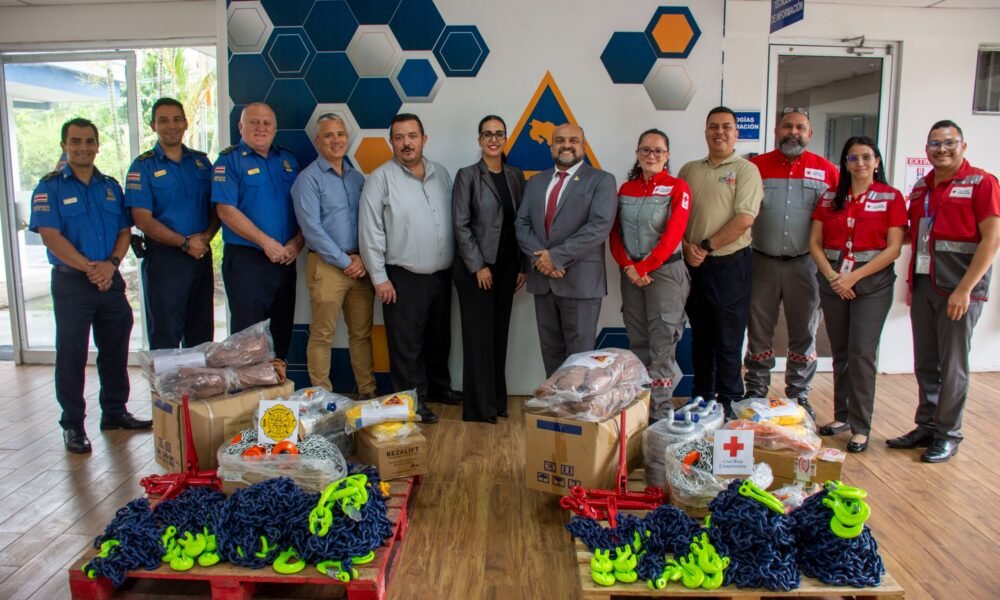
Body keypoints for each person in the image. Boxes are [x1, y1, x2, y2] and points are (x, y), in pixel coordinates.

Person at [29, 118, 151, 454]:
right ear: (64, 146)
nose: (83, 147)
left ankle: (114, 411)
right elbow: (51, 237)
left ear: (97, 145)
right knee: (72, 353)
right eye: (75, 141)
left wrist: (111, 265)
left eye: (89, 141)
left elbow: (124, 231)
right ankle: (73, 424)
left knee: (115, 348)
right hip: (72, 283)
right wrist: (90, 268)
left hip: (108, 279)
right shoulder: (50, 188)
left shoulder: (110, 187)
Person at [887, 120, 1000, 463]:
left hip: (959, 289)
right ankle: (927, 426)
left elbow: (992, 239)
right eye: (935, 144)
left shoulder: (982, 183)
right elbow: (914, 235)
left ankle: (948, 434)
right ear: (927, 149)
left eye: (950, 143)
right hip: (925, 285)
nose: (942, 149)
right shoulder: (921, 188)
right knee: (926, 362)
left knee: (953, 367)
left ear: (963, 146)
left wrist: (964, 289)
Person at [809, 136, 905, 453]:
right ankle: (842, 416)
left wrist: (854, 276)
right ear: (845, 163)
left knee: (861, 352)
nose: (860, 163)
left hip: (872, 284)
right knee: (840, 351)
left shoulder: (891, 197)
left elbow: (893, 248)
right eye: (853, 158)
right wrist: (834, 277)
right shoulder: (829, 198)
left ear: (876, 161)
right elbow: (814, 243)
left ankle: (861, 427)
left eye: (866, 157)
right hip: (834, 280)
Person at [359, 113, 457, 424]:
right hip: (402, 277)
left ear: (424, 139)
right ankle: (411, 401)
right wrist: (379, 278)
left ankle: (439, 389)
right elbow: (370, 231)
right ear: (391, 142)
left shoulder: (441, 174)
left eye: (412, 136)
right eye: (399, 137)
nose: (406, 143)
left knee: (439, 338)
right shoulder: (380, 179)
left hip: (442, 275)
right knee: (406, 344)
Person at [744, 108, 838, 418]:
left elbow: (837, 217)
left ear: (810, 134)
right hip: (762, 261)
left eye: (800, 127)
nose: (793, 132)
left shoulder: (827, 171)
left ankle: (799, 393)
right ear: (776, 131)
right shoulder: (756, 168)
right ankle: (756, 388)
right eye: (787, 126)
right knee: (759, 328)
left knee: (805, 329)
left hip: (806, 264)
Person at [679, 106, 763, 417]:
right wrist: (687, 247)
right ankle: (702, 398)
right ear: (705, 132)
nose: (720, 132)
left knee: (728, 339)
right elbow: (675, 216)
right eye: (713, 126)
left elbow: (744, 219)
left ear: (736, 133)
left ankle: (730, 402)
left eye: (726, 126)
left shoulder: (746, 170)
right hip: (693, 265)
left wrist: (705, 246)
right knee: (701, 337)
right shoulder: (689, 170)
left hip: (730, 265)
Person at [515, 123, 617, 377]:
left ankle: (577, 403)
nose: (566, 145)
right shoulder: (536, 182)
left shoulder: (602, 180)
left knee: (580, 359)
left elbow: (599, 227)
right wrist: (542, 260)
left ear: (583, 146)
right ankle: (555, 400)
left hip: (580, 283)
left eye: (573, 140)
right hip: (543, 281)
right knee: (551, 353)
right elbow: (522, 224)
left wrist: (555, 258)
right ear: (551, 146)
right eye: (560, 140)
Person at [291, 113, 377, 397]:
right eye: (329, 135)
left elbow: (367, 222)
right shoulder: (308, 179)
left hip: (359, 266)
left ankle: (367, 392)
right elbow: (311, 229)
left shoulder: (356, 178)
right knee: (322, 334)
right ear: (318, 141)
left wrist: (362, 258)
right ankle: (322, 398)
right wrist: (345, 261)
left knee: (361, 334)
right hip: (327, 266)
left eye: (340, 134)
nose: (336, 140)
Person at [125, 97, 219, 350]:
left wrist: (204, 239)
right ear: (153, 126)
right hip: (165, 259)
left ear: (186, 123)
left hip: (200, 255)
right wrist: (184, 243)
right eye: (164, 120)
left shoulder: (201, 163)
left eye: (177, 119)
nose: (172, 126)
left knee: (201, 333)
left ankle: (196, 378)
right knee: (165, 334)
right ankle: (166, 380)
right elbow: (142, 219)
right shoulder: (142, 167)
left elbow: (217, 209)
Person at [609, 129, 690, 420]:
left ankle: (660, 412)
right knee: (638, 340)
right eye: (646, 150)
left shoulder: (678, 187)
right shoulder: (625, 189)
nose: (651, 155)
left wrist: (644, 267)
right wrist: (628, 266)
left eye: (658, 151)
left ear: (667, 155)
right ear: (637, 153)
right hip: (631, 274)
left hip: (664, 274)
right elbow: (614, 234)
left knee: (662, 342)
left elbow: (673, 235)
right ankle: (639, 410)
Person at [211, 102, 302, 359]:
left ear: (275, 128)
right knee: (248, 339)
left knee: (281, 331)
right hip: (247, 262)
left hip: (285, 260)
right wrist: (266, 243)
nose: (261, 128)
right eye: (254, 122)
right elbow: (226, 210)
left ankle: (277, 385)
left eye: (267, 123)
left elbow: (304, 207)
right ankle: (248, 387)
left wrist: (297, 243)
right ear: (241, 126)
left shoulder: (287, 160)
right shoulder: (229, 161)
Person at [452, 115, 526, 423]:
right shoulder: (467, 175)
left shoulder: (515, 176)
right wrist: (478, 266)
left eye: (498, 134)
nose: (493, 139)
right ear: (479, 140)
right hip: (477, 271)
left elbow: (522, 223)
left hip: (508, 268)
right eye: (487, 134)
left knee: (498, 337)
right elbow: (461, 225)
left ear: (506, 139)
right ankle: (479, 408)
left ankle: (497, 401)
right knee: (478, 339)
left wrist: (522, 265)